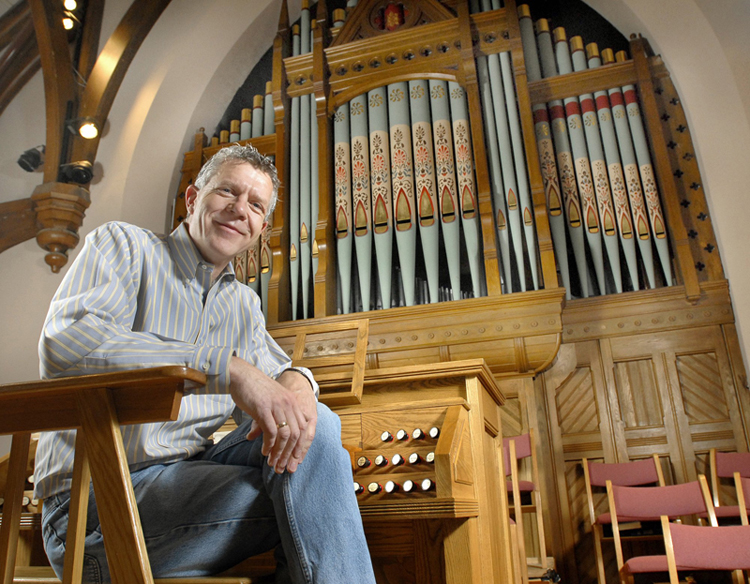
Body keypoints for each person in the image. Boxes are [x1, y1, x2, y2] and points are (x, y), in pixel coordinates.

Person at [34, 144, 376, 584]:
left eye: (255, 205)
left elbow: (279, 382)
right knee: (312, 505)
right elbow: (67, 344)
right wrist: (227, 369)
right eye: (227, 193)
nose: (239, 210)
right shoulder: (123, 245)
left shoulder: (243, 304)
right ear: (193, 198)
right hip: (92, 507)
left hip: (188, 481)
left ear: (261, 229)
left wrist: (297, 380)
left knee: (317, 426)